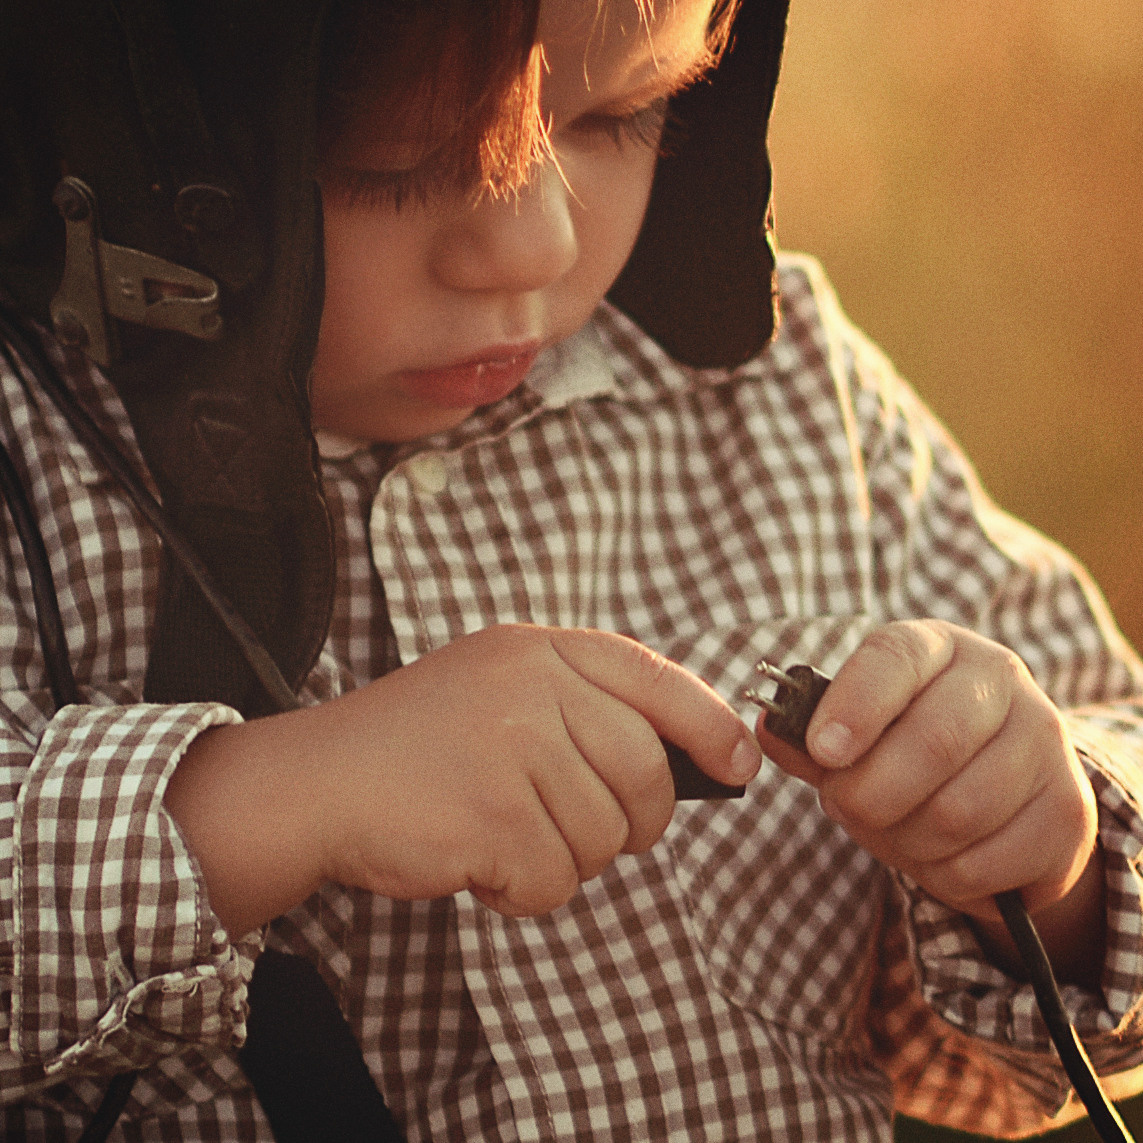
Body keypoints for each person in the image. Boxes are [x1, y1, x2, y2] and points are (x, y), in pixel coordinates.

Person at [1, 0, 1142, 1139]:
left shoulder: (791, 395)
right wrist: (277, 801)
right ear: (139, 139)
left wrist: (1049, 864)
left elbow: (1058, 950)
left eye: (625, 115)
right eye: (395, 168)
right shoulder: (28, 451)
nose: (538, 243)